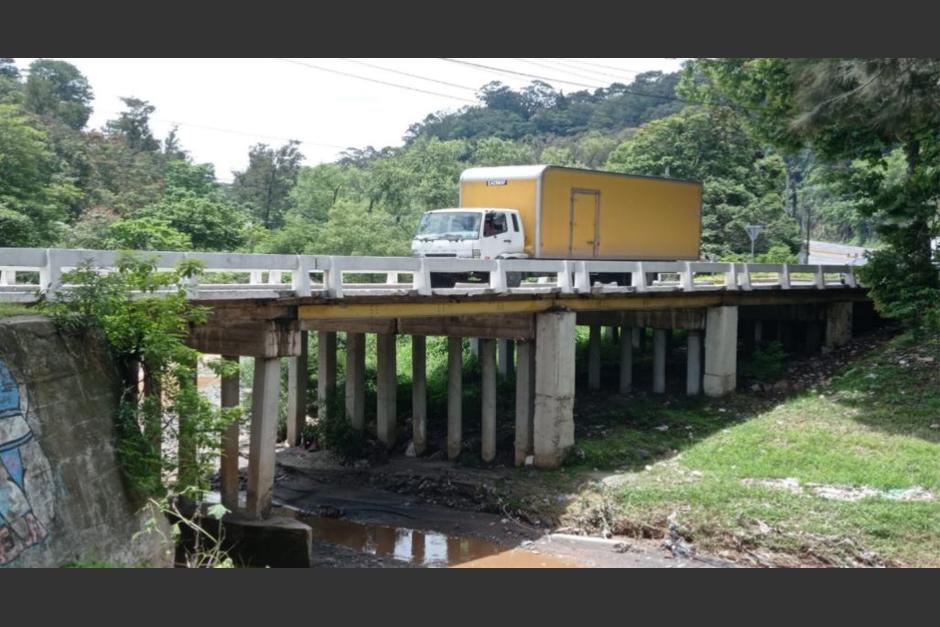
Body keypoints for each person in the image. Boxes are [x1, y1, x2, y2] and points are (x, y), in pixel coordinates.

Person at [0, 360, 47, 565]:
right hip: (15, 429)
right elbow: (21, 391)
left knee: (8, 485)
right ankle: (30, 529)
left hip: (10, 431)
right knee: (11, 483)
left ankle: (27, 531)